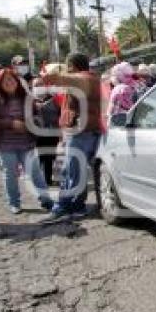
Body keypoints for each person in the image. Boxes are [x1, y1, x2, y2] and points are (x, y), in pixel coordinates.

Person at [38, 53, 102, 222]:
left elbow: (68, 80)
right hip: (82, 130)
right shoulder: (90, 79)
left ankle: (64, 206)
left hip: (81, 132)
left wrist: (54, 77)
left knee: (71, 172)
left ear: (72, 65)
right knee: (74, 171)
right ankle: (77, 206)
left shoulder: (85, 79)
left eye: (68, 66)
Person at [0, 68, 53, 214]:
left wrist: (30, 123)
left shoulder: (26, 97)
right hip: (4, 144)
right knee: (10, 173)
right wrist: (11, 124)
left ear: (17, 81)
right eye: (4, 80)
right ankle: (14, 203)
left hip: (26, 141)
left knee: (35, 172)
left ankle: (46, 200)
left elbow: (38, 117)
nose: (9, 82)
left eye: (11, 79)